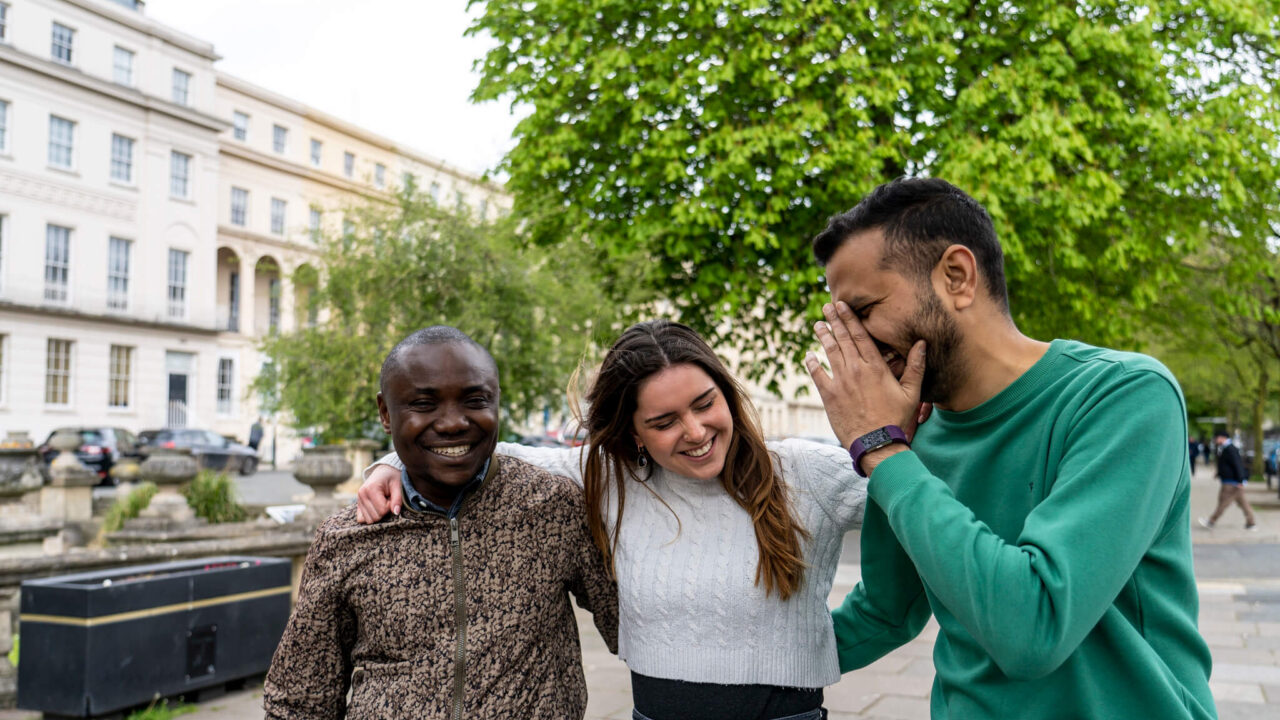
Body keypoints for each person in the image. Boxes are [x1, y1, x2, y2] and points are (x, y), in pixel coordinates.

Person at [803, 178, 1215, 719]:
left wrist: (881, 450)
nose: (850, 341)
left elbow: (1035, 627)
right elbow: (885, 610)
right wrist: (742, 667)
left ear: (957, 276)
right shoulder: (910, 433)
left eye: (862, 310)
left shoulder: (1124, 395)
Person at [359, 320, 883, 720]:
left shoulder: (808, 472)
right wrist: (392, 463)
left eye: (705, 404)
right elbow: (480, 449)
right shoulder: (610, 476)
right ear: (633, 434)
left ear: (727, 394)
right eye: (664, 421)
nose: (696, 431)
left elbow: (930, 505)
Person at [263, 326, 618, 719]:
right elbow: (299, 702)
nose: (452, 423)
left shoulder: (553, 506)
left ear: (497, 402)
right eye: (424, 404)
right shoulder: (346, 539)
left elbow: (633, 623)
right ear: (385, 412)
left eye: (475, 400)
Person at [1199, 431, 1258, 531]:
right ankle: (1251, 523)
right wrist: (1219, 473)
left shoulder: (1230, 449)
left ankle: (1211, 521)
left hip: (1231, 482)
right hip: (1232, 481)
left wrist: (1240, 480)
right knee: (1243, 504)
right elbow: (1227, 464)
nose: (1215, 440)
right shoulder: (1226, 448)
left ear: (1222, 437)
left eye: (1217, 437)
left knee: (1223, 502)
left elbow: (1237, 465)